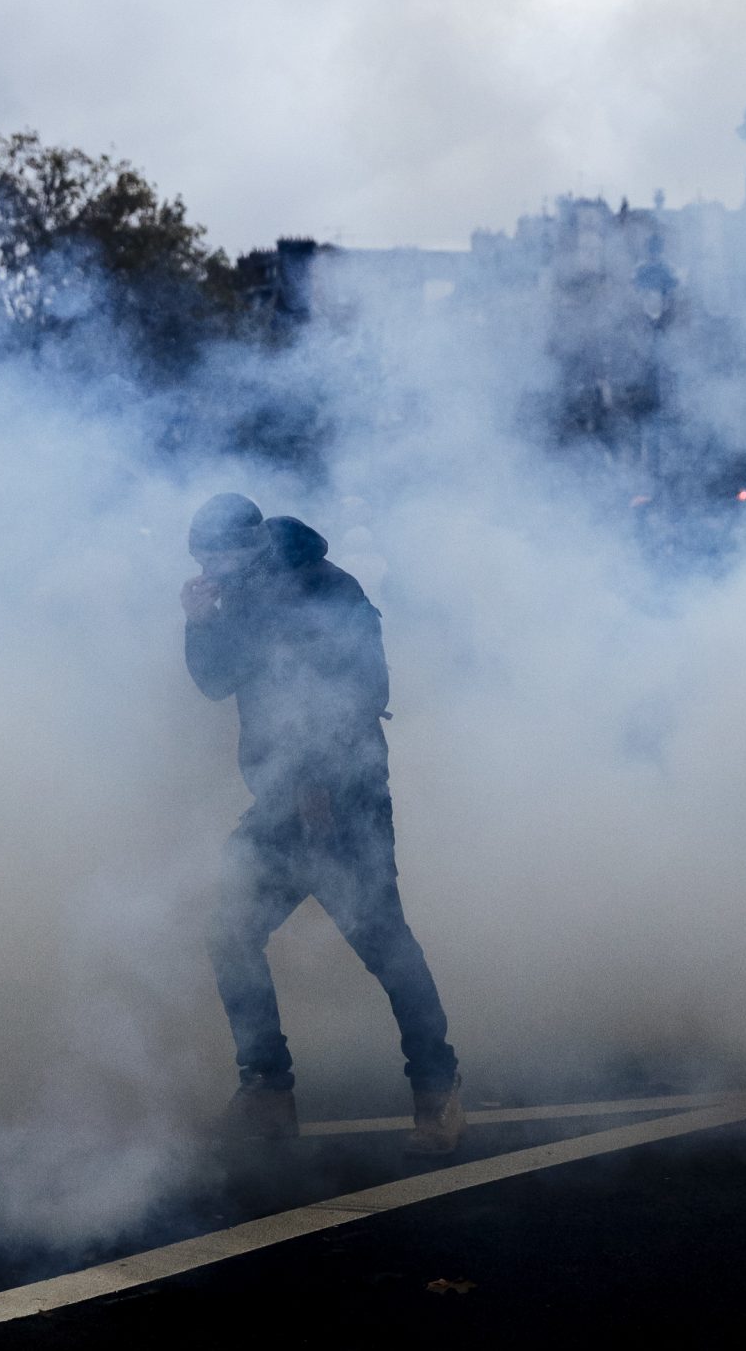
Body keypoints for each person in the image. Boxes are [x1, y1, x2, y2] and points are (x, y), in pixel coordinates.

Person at [181, 492, 464, 1154]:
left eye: (215, 558)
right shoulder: (245, 596)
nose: (209, 570)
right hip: (281, 799)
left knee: (383, 943)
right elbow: (218, 680)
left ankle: (436, 1086)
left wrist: (318, 780)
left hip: (343, 797)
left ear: (248, 546)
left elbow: (365, 688)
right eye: (201, 560)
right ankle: (268, 1090)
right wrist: (199, 622)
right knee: (231, 930)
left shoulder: (326, 589)